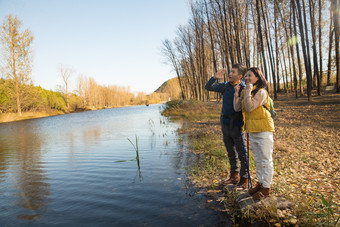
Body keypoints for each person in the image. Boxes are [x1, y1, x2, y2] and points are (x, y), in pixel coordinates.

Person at [205, 64, 249, 190]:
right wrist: (215, 77)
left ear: (240, 76)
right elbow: (208, 87)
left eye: (233, 72)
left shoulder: (243, 88)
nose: (230, 74)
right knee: (231, 152)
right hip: (225, 124)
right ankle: (234, 176)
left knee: (242, 154)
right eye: (230, 71)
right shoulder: (224, 86)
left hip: (237, 126)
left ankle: (244, 180)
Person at [233, 67, 274, 200]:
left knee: (265, 160)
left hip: (263, 129)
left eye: (250, 75)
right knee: (258, 159)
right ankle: (260, 184)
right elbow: (237, 108)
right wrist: (237, 94)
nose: (247, 78)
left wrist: (248, 91)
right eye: (245, 76)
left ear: (258, 77)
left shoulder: (261, 92)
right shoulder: (247, 91)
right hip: (253, 130)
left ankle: (266, 188)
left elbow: (250, 107)